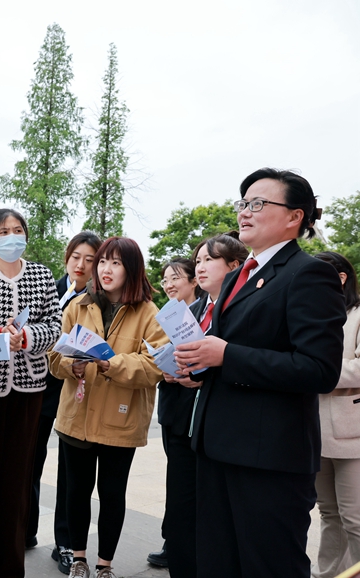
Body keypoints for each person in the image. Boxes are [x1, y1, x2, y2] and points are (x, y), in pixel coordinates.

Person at [177, 168, 346, 578]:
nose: (245, 212)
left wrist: (227, 355)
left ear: (295, 217)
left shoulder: (309, 273)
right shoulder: (239, 275)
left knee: (268, 565)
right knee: (219, 562)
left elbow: (319, 369)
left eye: (259, 203)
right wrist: (196, 366)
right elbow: (224, 346)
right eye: (243, 203)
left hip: (269, 457)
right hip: (217, 446)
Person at [49, 237, 167, 578]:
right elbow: (55, 356)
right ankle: (79, 559)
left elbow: (155, 367)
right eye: (103, 262)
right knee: (76, 491)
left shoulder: (149, 313)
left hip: (121, 419)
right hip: (78, 415)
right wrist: (69, 366)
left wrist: (111, 364)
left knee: (112, 493)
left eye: (115, 263)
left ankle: (104, 565)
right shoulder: (78, 306)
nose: (105, 269)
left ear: (131, 269)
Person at [0, 209, 63, 578]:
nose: (11, 236)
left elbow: (55, 326)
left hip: (28, 386)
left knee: (18, 480)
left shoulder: (40, 274)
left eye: (17, 230)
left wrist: (28, 337)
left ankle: (10, 565)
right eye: (2, 231)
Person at [152, 233, 248, 578]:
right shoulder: (190, 310)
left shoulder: (243, 309)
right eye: (199, 260)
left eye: (210, 259)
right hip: (180, 422)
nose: (200, 266)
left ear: (235, 266)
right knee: (180, 510)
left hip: (220, 427)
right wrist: (170, 369)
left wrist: (206, 374)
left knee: (215, 518)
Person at [27, 230, 102, 575]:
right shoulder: (49, 290)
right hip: (36, 389)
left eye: (90, 260)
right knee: (30, 461)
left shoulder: (97, 301)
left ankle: (66, 543)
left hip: (72, 391)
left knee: (69, 475)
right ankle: (24, 529)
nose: (81, 265)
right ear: (67, 257)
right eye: (76, 257)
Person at [147, 256, 200, 569]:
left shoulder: (205, 313)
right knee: (176, 480)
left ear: (194, 281)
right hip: (172, 406)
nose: (168, 284)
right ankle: (173, 540)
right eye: (165, 279)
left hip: (194, 407)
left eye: (175, 277)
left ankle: (183, 543)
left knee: (191, 483)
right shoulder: (166, 316)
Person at [312, 251, 360, 578]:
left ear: (341, 278)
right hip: (314, 432)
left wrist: (318, 373)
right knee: (328, 514)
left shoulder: (357, 315)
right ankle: (330, 573)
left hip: (351, 433)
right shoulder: (311, 317)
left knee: (355, 519)